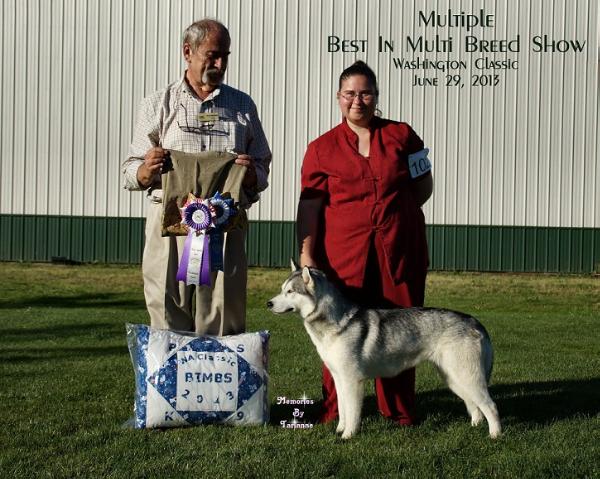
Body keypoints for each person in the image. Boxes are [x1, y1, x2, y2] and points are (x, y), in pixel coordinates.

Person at [297, 61, 433, 426]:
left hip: (400, 252)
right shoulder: (320, 148)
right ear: (339, 98)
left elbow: (423, 187)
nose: (358, 101)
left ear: (376, 96)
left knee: (404, 330)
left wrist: (397, 216)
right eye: (350, 94)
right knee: (337, 332)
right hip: (343, 257)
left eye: (366, 93)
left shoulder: (404, 136)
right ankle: (335, 410)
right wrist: (307, 255)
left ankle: (400, 411)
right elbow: (310, 206)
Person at [122, 19, 271, 336]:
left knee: (222, 313)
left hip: (225, 226)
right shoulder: (157, 104)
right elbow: (130, 170)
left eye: (225, 56)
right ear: (187, 52)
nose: (220, 63)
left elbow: (262, 165)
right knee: (166, 312)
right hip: (167, 221)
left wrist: (250, 176)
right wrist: (146, 169)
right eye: (213, 55)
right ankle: (166, 380)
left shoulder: (242, 106)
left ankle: (219, 382)